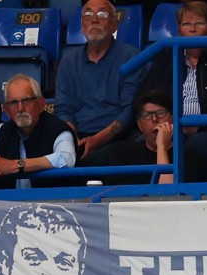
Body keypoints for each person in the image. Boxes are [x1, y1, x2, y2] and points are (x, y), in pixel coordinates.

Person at [134, 1, 207, 181]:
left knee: (193, 148)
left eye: (199, 23)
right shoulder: (166, 58)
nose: (192, 29)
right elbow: (144, 96)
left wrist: (198, 125)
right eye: (186, 24)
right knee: (141, 145)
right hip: (168, 126)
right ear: (179, 30)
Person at [54, 0, 145, 165]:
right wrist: (71, 140)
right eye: (88, 15)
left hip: (118, 137)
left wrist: (96, 140)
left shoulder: (131, 57)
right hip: (77, 137)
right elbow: (63, 109)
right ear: (82, 24)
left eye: (102, 15)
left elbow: (130, 111)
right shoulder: (68, 61)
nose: (94, 20)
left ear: (114, 25)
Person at [89, 91, 204, 184]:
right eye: (147, 115)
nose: (154, 119)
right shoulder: (122, 153)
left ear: (173, 119)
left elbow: (168, 195)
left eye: (161, 113)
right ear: (139, 124)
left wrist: (161, 146)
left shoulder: (188, 156)